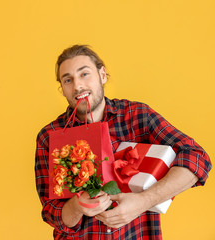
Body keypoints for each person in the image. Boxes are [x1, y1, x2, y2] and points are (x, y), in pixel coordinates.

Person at [34, 45, 212, 239]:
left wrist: (143, 201)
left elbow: (197, 157)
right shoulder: (50, 136)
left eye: (84, 74)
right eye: (68, 80)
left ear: (102, 75)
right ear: (62, 88)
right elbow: (52, 213)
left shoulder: (137, 116)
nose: (77, 86)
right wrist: (77, 207)